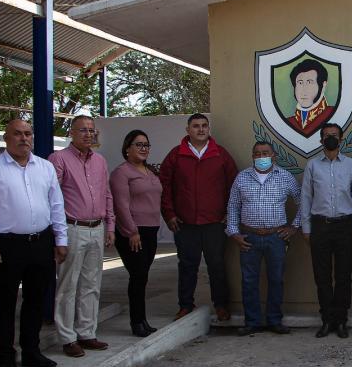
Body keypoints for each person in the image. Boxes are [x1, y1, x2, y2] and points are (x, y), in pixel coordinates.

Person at [0, 120, 68, 367]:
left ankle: (31, 351)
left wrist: (61, 239)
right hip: (7, 245)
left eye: (28, 134)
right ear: (6, 138)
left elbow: (56, 205)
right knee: (3, 303)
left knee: (35, 300)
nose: (24, 138)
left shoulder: (45, 168)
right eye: (18, 134)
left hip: (41, 243)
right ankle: (4, 357)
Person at [160, 113, 238, 321]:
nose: (201, 129)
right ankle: (185, 305)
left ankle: (221, 305)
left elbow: (234, 186)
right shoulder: (176, 155)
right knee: (187, 266)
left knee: (217, 265)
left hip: (214, 223)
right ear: (188, 130)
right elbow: (165, 187)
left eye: (204, 126)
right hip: (185, 224)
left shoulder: (220, 154)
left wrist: (229, 214)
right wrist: (169, 214)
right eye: (196, 126)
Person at [49, 115, 115, 358]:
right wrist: (58, 237)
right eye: (83, 130)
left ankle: (87, 332)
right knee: (68, 285)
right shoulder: (59, 159)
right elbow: (52, 198)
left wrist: (110, 226)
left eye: (91, 130)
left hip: (96, 228)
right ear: (72, 133)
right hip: (72, 228)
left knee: (91, 284)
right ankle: (67, 338)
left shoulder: (100, 161)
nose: (88, 134)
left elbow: (107, 194)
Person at [226, 141, 301, 336]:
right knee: (249, 280)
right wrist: (233, 233)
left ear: (274, 156)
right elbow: (233, 206)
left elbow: (304, 202)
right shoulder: (242, 177)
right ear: (252, 157)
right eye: (257, 154)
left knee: (276, 279)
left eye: (265, 153)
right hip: (248, 237)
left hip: (276, 237)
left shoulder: (285, 177)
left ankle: (274, 320)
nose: (261, 157)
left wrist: (294, 227)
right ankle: (252, 322)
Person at [299, 123, 352, 338]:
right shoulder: (312, 166)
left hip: (345, 226)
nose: (330, 139)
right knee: (322, 276)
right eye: (326, 136)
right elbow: (306, 197)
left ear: (341, 139)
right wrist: (306, 228)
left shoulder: (351, 165)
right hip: (320, 226)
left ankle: (342, 320)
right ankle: (327, 320)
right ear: (320, 140)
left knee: (344, 276)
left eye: (334, 136)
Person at [110, 130, 162, 338]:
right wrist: (132, 231)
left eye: (146, 145)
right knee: (137, 276)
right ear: (127, 148)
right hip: (132, 232)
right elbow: (121, 206)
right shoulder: (121, 173)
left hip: (151, 231)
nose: (143, 149)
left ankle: (143, 320)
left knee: (143, 277)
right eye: (138, 145)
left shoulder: (150, 171)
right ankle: (136, 321)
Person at [287, 59, 335, 136]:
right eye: (300, 83)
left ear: (323, 86)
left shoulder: (333, 114)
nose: (304, 89)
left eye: (309, 82)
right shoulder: (289, 122)